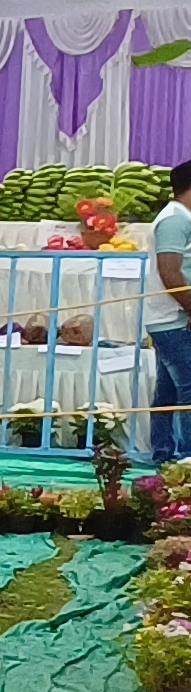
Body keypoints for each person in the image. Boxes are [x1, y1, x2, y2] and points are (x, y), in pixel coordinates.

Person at [154, 162, 191, 471]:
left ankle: (164, 454)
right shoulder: (174, 220)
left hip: (173, 316)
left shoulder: (180, 218)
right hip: (173, 318)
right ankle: (187, 459)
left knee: (167, 390)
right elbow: (169, 271)